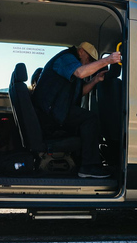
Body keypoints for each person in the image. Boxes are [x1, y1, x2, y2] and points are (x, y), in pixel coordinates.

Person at [32, 42, 121, 178]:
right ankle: (88, 167)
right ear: (80, 52)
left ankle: (85, 162)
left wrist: (95, 79)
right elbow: (81, 72)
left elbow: (80, 93)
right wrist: (108, 60)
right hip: (48, 115)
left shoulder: (73, 66)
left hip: (55, 112)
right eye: (90, 59)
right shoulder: (66, 58)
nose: (90, 63)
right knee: (90, 118)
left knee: (86, 118)